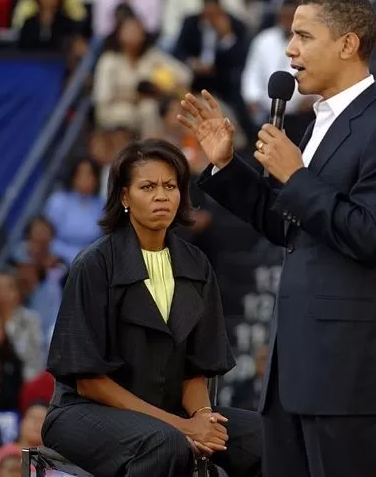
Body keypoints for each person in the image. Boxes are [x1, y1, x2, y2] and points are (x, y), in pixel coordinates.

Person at [178, 0, 376, 477]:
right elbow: (287, 225)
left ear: (348, 44)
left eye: (303, 36)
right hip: (295, 372)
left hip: (351, 376)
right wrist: (228, 166)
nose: (289, 49)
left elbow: (373, 236)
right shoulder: (319, 123)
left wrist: (296, 177)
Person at [41, 139, 262, 477]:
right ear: (125, 196)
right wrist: (182, 426)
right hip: (85, 411)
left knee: (266, 437)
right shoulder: (95, 264)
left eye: (170, 185)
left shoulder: (196, 264)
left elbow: (195, 369)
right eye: (148, 186)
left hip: (168, 410)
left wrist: (203, 417)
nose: (162, 195)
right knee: (165, 443)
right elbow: (89, 382)